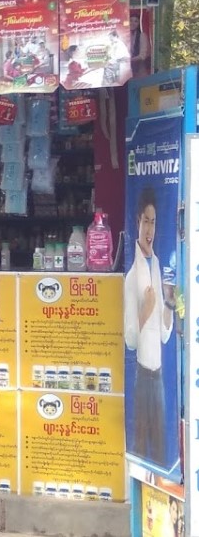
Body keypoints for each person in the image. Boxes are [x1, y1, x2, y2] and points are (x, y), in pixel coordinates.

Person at [124, 187, 174, 467]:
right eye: (146, 221)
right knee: (142, 447)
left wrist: (168, 305)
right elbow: (130, 340)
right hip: (143, 377)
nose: (149, 229)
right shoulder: (132, 276)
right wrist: (145, 310)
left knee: (162, 451)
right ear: (137, 222)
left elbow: (165, 335)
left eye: (153, 222)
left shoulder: (157, 266)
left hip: (159, 375)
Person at [130, 14, 151, 78]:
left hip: (139, 69)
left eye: (136, 21)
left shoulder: (142, 36)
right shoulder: (124, 35)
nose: (133, 23)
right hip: (126, 70)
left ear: (139, 23)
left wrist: (129, 60)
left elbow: (142, 56)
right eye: (131, 20)